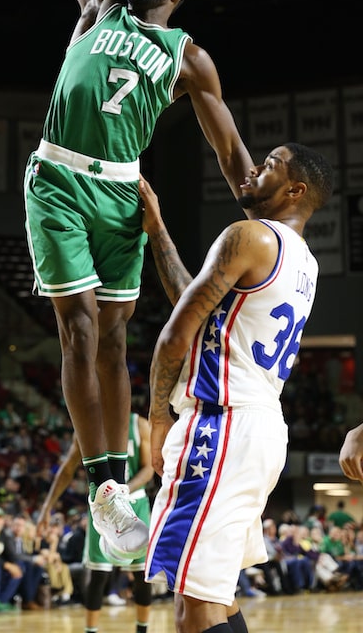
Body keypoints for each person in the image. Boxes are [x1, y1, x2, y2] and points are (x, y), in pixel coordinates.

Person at [23, 0, 254, 563]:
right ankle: (102, 486)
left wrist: (269, 209)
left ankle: (117, 486)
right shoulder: (96, 10)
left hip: (123, 193)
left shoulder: (188, 58)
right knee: (80, 327)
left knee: (116, 341)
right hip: (59, 175)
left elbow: (232, 149)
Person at [140, 142, 334, 633]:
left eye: (269, 165)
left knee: (194, 610)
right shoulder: (304, 263)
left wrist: (159, 419)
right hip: (259, 427)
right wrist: (158, 232)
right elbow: (195, 300)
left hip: (220, 426)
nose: (252, 170)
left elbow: (175, 336)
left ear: (295, 190)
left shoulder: (249, 236)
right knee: (216, 600)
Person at [37, 412, 156, 632]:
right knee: (98, 572)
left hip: (135, 501)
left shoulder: (137, 424)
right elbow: (68, 468)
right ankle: (90, 630)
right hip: (102, 506)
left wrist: (124, 490)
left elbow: (149, 468)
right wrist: (47, 506)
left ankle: (143, 629)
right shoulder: (88, 423)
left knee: (142, 573)